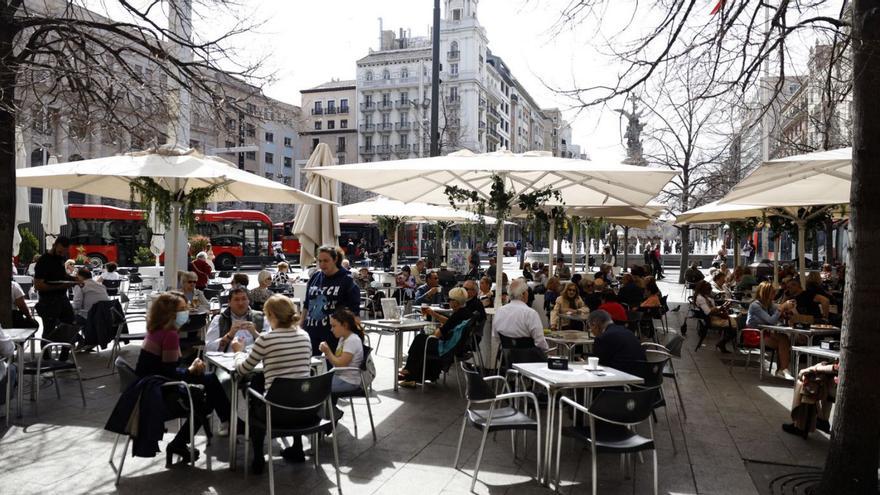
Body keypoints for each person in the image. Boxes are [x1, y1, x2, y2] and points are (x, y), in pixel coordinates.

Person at [135, 292, 231, 463]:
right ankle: (227, 421)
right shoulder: (169, 334)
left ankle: (227, 420)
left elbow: (165, 367)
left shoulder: (156, 330)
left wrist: (190, 369)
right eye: (182, 309)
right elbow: (169, 372)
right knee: (205, 400)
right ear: (169, 313)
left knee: (209, 381)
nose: (186, 311)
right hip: (158, 391)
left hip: (146, 386)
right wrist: (191, 370)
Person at [232, 294, 313, 472]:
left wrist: (238, 351)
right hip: (307, 410)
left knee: (255, 391)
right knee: (291, 385)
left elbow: (243, 369)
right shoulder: (304, 335)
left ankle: (259, 457)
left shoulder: (266, 340)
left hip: (276, 412)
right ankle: (297, 446)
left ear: (272, 316)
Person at [398, 288, 471, 386]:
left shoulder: (457, 315)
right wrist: (434, 314)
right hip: (457, 346)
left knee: (420, 339)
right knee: (423, 340)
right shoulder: (465, 313)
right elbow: (449, 322)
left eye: (449, 300)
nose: (448, 302)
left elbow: (438, 334)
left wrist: (431, 332)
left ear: (456, 302)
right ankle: (413, 374)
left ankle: (410, 373)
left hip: (446, 348)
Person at [303, 245, 361, 355]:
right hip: (312, 331)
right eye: (319, 261)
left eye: (326, 261)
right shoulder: (315, 277)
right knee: (311, 367)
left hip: (334, 333)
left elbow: (354, 310)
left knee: (334, 368)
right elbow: (307, 304)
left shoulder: (346, 280)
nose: (322, 264)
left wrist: (352, 336)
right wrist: (301, 325)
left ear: (335, 260)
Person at [33, 236, 78, 361]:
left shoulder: (61, 258)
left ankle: (63, 359)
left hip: (62, 298)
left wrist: (73, 280)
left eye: (64, 252)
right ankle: (47, 360)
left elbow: (61, 275)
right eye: (60, 251)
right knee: (48, 331)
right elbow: (38, 285)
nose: (62, 254)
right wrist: (61, 286)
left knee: (71, 325)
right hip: (48, 301)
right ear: (55, 245)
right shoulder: (44, 261)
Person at [318, 307, 366, 417]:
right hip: (341, 377)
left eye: (334, 326)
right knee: (316, 386)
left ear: (345, 325)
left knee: (316, 390)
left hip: (349, 381)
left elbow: (341, 364)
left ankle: (333, 415)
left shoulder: (352, 340)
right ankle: (326, 417)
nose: (331, 329)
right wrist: (327, 355)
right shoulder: (343, 338)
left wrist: (328, 351)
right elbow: (338, 360)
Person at [746, 282, 796, 379]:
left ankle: (782, 369)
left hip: (764, 332)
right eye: (772, 293)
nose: (774, 295)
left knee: (784, 339)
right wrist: (781, 308)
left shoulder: (769, 304)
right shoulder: (755, 305)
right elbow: (771, 320)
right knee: (783, 342)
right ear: (765, 293)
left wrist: (785, 311)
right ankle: (782, 370)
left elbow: (776, 313)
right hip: (754, 334)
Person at [781, 360, 838, 438]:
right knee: (817, 379)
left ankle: (800, 426)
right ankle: (822, 420)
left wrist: (814, 369)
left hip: (839, 386)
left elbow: (836, 367)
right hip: (837, 382)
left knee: (808, 384)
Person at [205, 287, 271, 352]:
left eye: (244, 299)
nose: (240, 303)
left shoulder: (261, 317)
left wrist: (255, 333)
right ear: (229, 303)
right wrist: (229, 335)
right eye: (236, 299)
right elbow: (209, 347)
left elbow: (270, 345)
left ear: (249, 301)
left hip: (254, 360)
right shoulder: (219, 320)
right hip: (227, 361)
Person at [492, 278, 548, 353]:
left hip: (507, 357)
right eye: (527, 291)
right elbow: (540, 342)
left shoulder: (499, 311)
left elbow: (496, 337)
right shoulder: (530, 313)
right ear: (524, 294)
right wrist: (546, 349)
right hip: (529, 359)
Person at [587, 309, 645, 374]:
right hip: (642, 375)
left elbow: (598, 364)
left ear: (594, 325)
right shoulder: (628, 332)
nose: (591, 331)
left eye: (590, 327)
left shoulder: (602, 338)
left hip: (623, 377)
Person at [693, 280, 737, 353]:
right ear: (704, 289)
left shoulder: (704, 296)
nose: (710, 291)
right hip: (711, 320)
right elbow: (708, 312)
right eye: (709, 290)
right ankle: (722, 343)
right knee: (735, 325)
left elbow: (712, 308)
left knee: (732, 323)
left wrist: (722, 307)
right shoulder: (700, 298)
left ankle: (723, 342)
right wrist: (720, 308)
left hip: (713, 317)